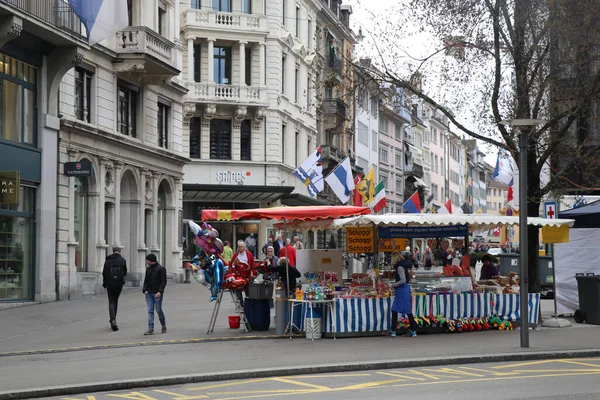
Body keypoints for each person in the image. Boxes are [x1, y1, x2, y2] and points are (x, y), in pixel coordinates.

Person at [386, 252, 417, 337]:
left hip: (402, 290)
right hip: (403, 290)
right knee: (398, 309)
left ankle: (412, 330)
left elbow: (403, 280)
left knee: (403, 310)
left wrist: (393, 285)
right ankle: (393, 330)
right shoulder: (403, 266)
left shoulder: (399, 267)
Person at [102, 246, 127, 331]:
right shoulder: (122, 260)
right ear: (119, 251)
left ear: (113, 251)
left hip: (110, 283)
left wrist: (106, 281)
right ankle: (114, 319)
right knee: (116, 300)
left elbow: (104, 272)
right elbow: (125, 272)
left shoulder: (108, 260)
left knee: (111, 301)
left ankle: (112, 319)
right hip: (119, 283)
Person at [143, 254, 167, 335]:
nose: (146, 262)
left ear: (150, 260)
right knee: (150, 310)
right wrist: (145, 290)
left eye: (147, 260)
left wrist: (160, 291)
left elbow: (163, 281)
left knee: (158, 309)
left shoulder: (161, 269)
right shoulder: (148, 269)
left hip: (157, 292)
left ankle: (163, 325)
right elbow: (146, 280)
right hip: (149, 292)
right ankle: (150, 328)